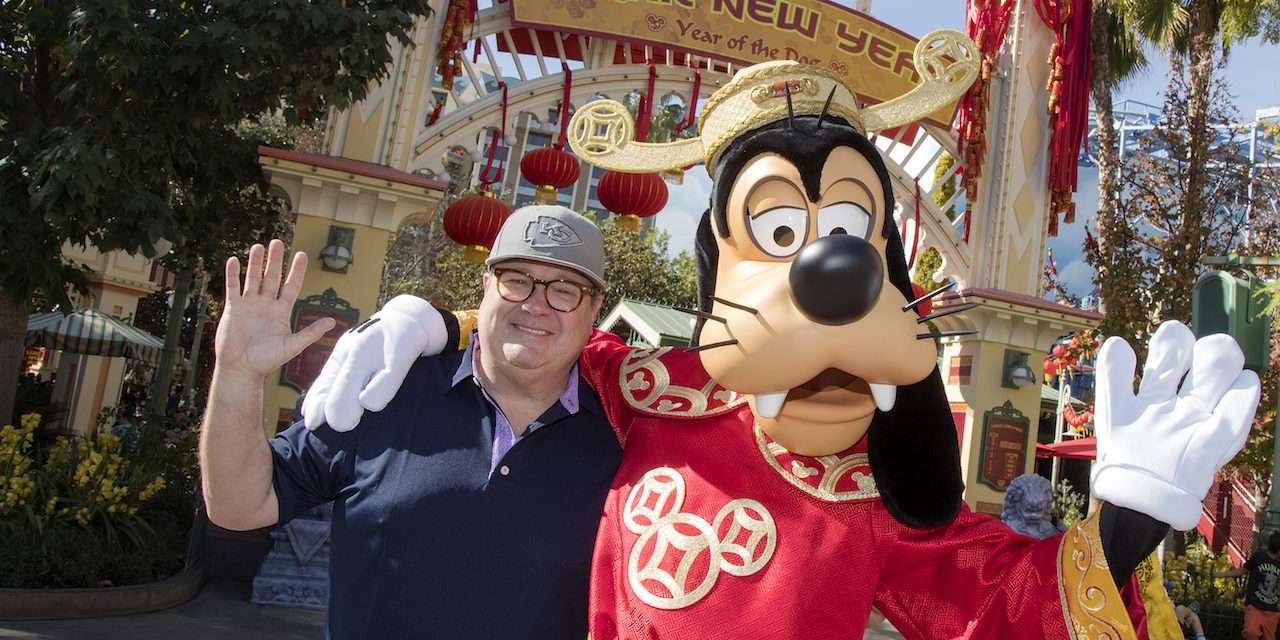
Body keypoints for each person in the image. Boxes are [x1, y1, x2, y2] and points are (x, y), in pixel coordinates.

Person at [199, 205, 623, 638]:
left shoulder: (623, 442)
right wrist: (238, 374)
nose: (536, 305)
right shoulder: (385, 388)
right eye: (516, 280)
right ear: (485, 287)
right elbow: (238, 506)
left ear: (593, 310)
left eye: (565, 290)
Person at [1216, 531, 1280, 640]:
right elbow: (1242, 570)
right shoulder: (1259, 557)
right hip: (1255, 607)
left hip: (1272, 610)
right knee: (1251, 632)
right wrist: (1220, 574)